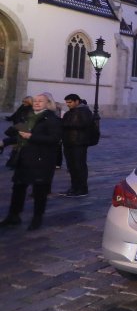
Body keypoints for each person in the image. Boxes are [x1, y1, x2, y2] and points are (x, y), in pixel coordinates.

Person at [0, 93, 62, 230]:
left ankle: (37, 218)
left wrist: (32, 136)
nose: (37, 103)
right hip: (23, 158)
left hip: (41, 160)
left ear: (48, 103)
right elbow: (18, 135)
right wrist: (4, 142)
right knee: (18, 188)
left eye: (41, 101)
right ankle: (13, 216)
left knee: (39, 191)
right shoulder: (27, 116)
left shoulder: (52, 119)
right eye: (35, 101)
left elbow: (54, 139)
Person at [60, 93, 94, 197]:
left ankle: (82, 189)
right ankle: (74, 187)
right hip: (69, 143)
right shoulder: (70, 112)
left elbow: (83, 124)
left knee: (79, 166)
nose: (68, 104)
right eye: (67, 102)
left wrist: (64, 123)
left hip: (79, 143)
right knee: (71, 167)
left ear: (77, 101)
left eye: (70, 102)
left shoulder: (84, 111)